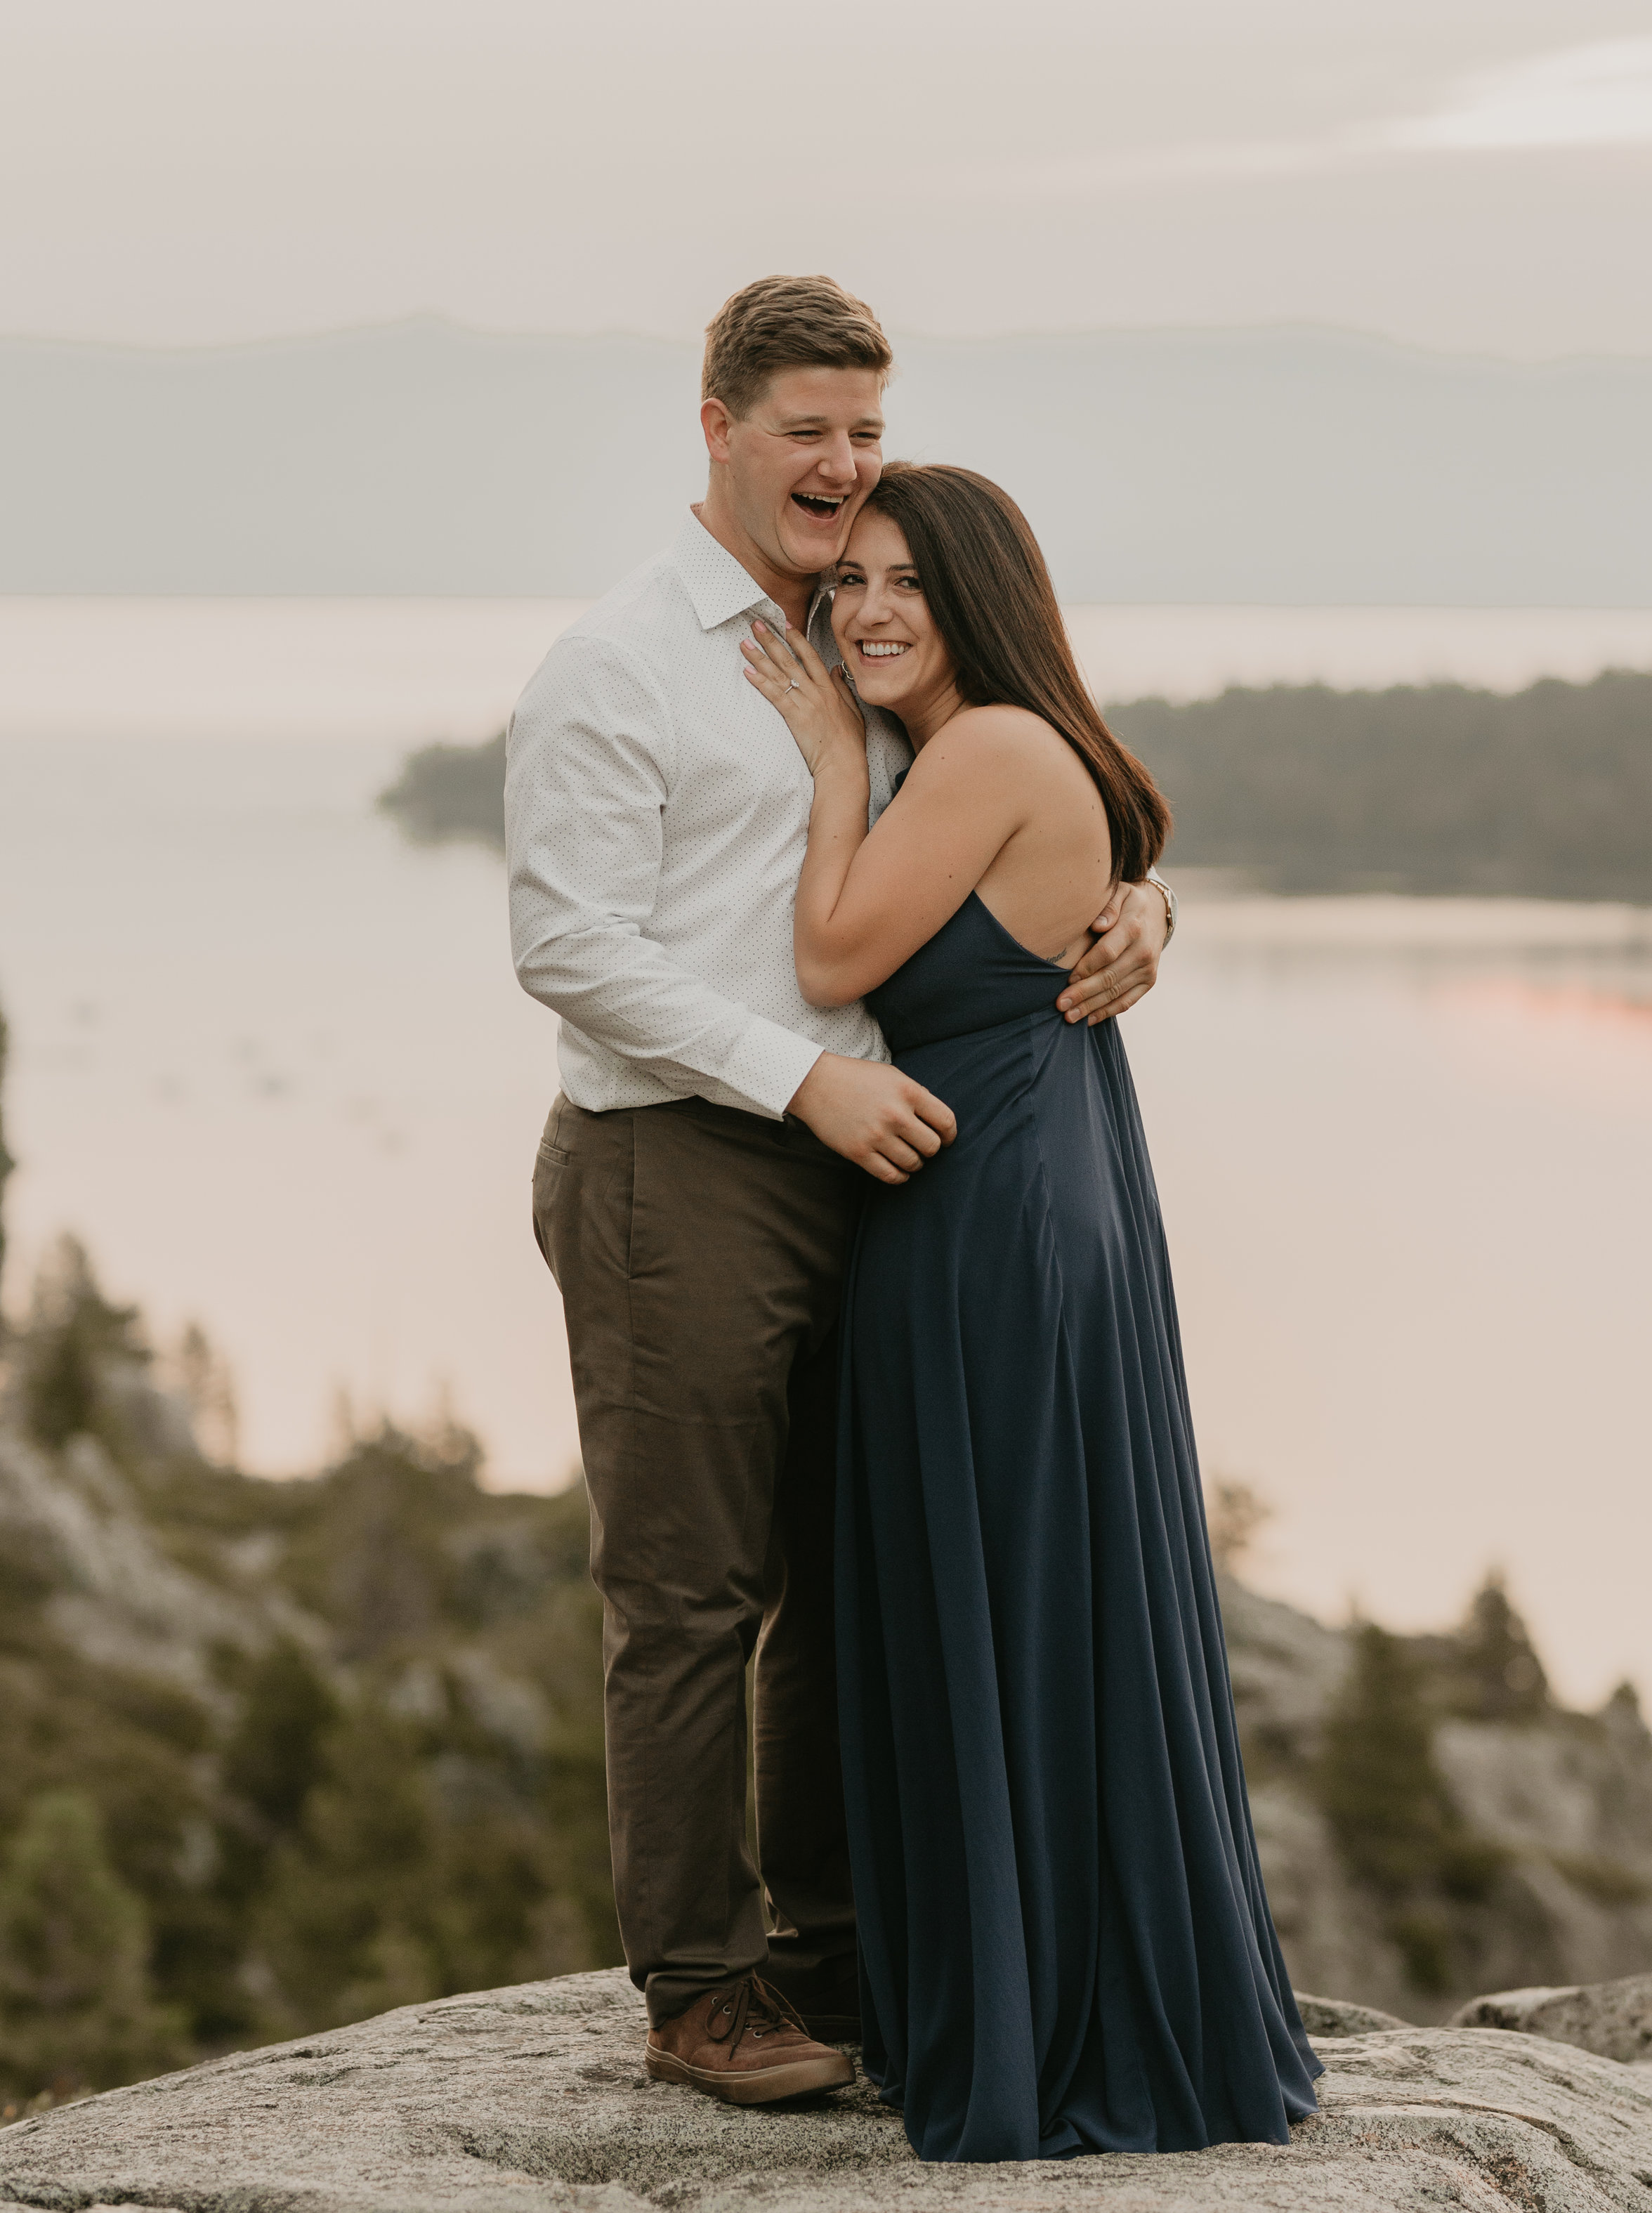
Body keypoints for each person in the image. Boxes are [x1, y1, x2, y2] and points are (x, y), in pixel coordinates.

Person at [504, 278, 1172, 2109]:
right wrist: (797, 1074)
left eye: (864, 428)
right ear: (713, 426)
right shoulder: (619, 661)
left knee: (844, 1573)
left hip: (881, 1167)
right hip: (682, 1159)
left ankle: (836, 1954)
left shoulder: (881, 632)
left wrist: (1133, 908)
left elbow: (1020, 810)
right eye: (806, 426)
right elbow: (563, 941)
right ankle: (699, 1989)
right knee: (689, 1592)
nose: (840, 463)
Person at [741, 462, 1320, 2161]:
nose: (865, 608)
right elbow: (1102, 862)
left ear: (980, 594)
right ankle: (1021, 1976)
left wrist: (834, 765)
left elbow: (838, 953)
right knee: (1024, 1589)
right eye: (847, 579)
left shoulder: (975, 744)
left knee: (1008, 1588)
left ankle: (1041, 2009)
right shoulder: (979, 747)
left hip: (992, 1207)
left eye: (905, 579)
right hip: (1013, 1181)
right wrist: (1143, 895)